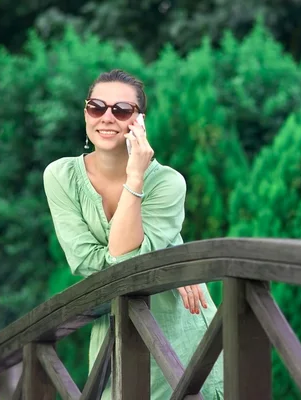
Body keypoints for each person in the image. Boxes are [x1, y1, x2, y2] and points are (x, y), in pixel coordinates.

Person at [42, 69, 224, 399]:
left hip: (184, 342)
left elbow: (123, 262)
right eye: (96, 106)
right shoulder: (60, 176)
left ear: (139, 121)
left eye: (121, 110)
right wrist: (169, 265)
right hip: (115, 340)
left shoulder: (168, 183)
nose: (107, 117)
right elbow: (88, 261)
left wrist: (136, 176)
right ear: (85, 113)